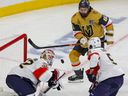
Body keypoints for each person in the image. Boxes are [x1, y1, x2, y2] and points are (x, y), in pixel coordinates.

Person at [68, 0, 114, 82]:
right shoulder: (75, 17)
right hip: (85, 40)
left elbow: (109, 23)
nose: (83, 11)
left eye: (84, 9)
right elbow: (76, 32)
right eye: (81, 9)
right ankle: (79, 75)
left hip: (97, 42)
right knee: (73, 55)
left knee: (97, 60)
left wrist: (109, 37)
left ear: (88, 8)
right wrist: (82, 38)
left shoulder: (96, 15)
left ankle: (102, 77)